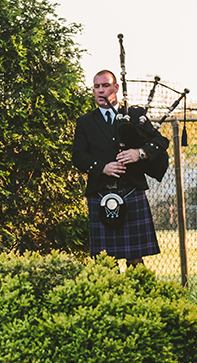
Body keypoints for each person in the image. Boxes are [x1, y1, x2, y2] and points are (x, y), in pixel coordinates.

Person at [71, 69, 170, 267]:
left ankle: (141, 297)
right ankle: (111, 297)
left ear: (116, 87)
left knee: (135, 258)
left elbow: (160, 141)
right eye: (97, 86)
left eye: (105, 85)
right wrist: (102, 168)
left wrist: (139, 153)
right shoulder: (85, 122)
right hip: (100, 193)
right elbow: (78, 156)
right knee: (105, 261)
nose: (100, 91)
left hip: (131, 190)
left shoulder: (134, 115)